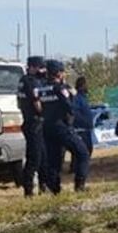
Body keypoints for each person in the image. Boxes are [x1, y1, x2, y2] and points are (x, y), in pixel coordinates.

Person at [40, 60, 90, 193]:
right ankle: (80, 186)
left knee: (54, 160)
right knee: (83, 153)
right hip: (61, 126)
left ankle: (55, 190)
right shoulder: (60, 88)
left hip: (46, 127)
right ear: (58, 73)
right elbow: (70, 107)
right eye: (62, 72)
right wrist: (72, 96)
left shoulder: (42, 89)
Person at [16, 55, 48, 197]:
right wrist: (47, 112)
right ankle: (28, 190)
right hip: (35, 122)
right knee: (34, 157)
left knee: (42, 157)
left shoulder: (22, 81)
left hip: (29, 121)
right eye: (40, 67)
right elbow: (37, 103)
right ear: (33, 67)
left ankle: (43, 186)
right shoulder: (32, 82)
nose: (43, 70)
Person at [72, 76, 95, 158]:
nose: (87, 86)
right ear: (81, 86)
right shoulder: (77, 98)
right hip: (81, 130)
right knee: (82, 150)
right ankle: (76, 168)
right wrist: (83, 122)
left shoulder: (84, 98)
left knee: (89, 149)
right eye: (85, 84)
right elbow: (75, 113)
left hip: (87, 129)